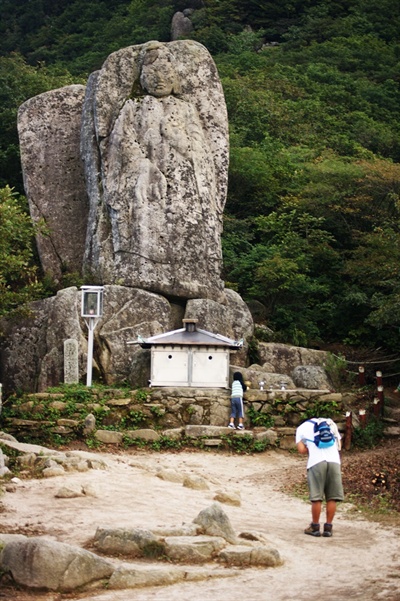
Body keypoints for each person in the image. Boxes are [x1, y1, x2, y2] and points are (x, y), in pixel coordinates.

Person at [295, 417, 344, 537]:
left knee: (317, 497)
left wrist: (311, 448)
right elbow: (339, 445)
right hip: (334, 461)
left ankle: (315, 527)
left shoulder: (302, 428)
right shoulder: (330, 423)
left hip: (316, 462)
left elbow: (301, 450)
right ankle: (328, 528)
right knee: (332, 497)